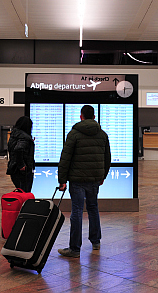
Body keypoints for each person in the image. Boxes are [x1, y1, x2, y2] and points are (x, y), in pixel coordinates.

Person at [57, 105, 111, 258]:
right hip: (94, 180)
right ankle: (96, 241)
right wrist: (103, 176)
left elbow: (65, 158)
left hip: (77, 180)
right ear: (94, 117)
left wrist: (62, 179)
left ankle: (74, 249)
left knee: (77, 211)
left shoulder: (74, 134)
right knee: (93, 208)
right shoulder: (102, 135)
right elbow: (107, 158)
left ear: (81, 117)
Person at [6, 116, 35, 192]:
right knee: (25, 193)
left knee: (20, 191)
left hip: (13, 168)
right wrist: (21, 165)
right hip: (22, 171)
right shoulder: (24, 137)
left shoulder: (14, 135)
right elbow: (18, 149)